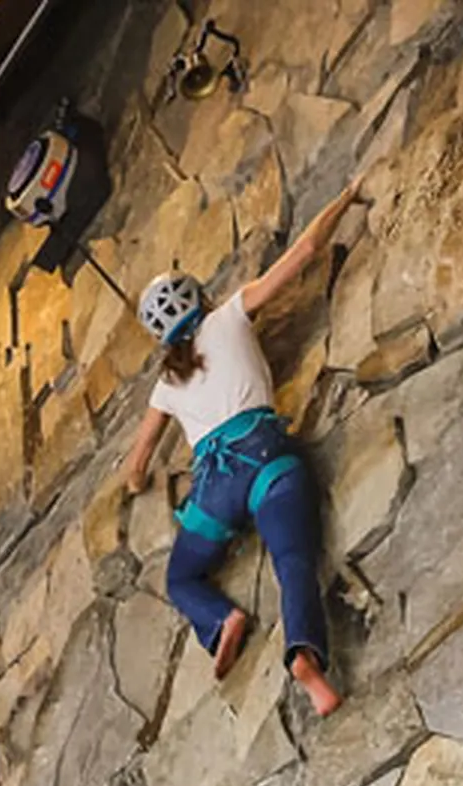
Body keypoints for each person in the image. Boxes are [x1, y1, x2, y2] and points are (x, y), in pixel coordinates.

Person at [121, 181, 362, 718]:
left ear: (161, 336)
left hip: (215, 488)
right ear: (200, 297)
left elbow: (136, 467)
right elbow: (303, 253)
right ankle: (306, 663)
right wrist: (344, 195)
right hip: (270, 460)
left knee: (181, 577)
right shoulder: (230, 314)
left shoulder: (165, 383)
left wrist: (139, 483)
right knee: (294, 560)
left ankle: (221, 620)